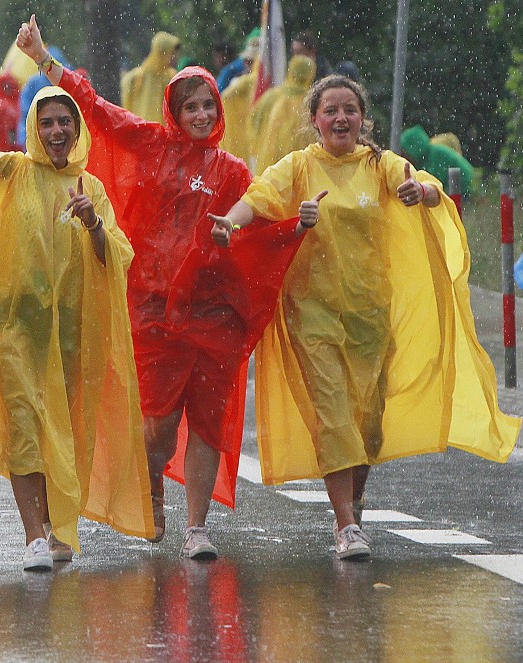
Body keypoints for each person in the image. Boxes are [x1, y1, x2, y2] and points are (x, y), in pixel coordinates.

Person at [18, 15, 306, 560]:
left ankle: (197, 526)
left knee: (207, 420)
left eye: (208, 106)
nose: (200, 115)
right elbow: (97, 110)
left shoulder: (233, 172)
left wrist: (298, 227)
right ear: (173, 111)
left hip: (212, 313)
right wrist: (44, 59)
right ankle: (149, 483)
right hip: (152, 307)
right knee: (159, 423)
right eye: (190, 106)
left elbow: (258, 225)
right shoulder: (149, 144)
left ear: (219, 112)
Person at [210, 74, 520, 560]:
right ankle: (346, 526)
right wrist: (230, 221)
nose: (340, 118)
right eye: (330, 110)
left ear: (362, 119)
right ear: (314, 120)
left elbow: (424, 185)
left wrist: (424, 192)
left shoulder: (380, 165)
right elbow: (257, 199)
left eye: (349, 110)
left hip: (370, 315)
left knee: (367, 423)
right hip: (312, 313)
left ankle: (354, 499)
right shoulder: (298, 167)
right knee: (333, 414)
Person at [0, 83, 153, 571]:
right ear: (33, 129)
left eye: (65, 122)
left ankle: (58, 526)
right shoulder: (15, 170)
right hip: (11, 326)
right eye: (47, 122)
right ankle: (33, 535)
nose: (56, 131)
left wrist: (94, 225)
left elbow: (117, 257)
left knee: (62, 431)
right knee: (25, 423)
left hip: (69, 336)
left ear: (77, 129)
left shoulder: (93, 189)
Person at [252, 54, 316, 175]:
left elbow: (254, 124)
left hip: (268, 166)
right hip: (301, 170)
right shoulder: (313, 103)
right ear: (311, 74)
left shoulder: (271, 96)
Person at [120, 31, 181, 124]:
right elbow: (126, 109)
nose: (175, 58)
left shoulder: (173, 77)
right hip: (140, 134)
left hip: (165, 136)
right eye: (171, 54)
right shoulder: (135, 77)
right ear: (162, 53)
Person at [401, 124, 473, 196]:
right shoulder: (426, 157)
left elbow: (436, 182)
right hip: (456, 183)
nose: (404, 156)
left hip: (462, 184)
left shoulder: (434, 156)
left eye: (405, 152)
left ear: (413, 148)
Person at [219, 36, 260, 163]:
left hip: (255, 146)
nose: (246, 64)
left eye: (250, 61)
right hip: (247, 146)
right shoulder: (238, 83)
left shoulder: (242, 83)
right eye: (246, 60)